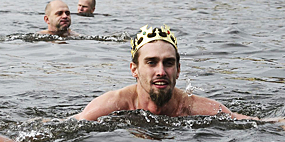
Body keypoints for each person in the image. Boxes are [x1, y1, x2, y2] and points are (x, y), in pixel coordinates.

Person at [73, 25, 253, 121]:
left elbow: (251, 122)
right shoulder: (115, 104)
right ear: (134, 69)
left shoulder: (198, 108)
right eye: (151, 62)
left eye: (168, 63)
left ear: (178, 70)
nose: (161, 72)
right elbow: (62, 130)